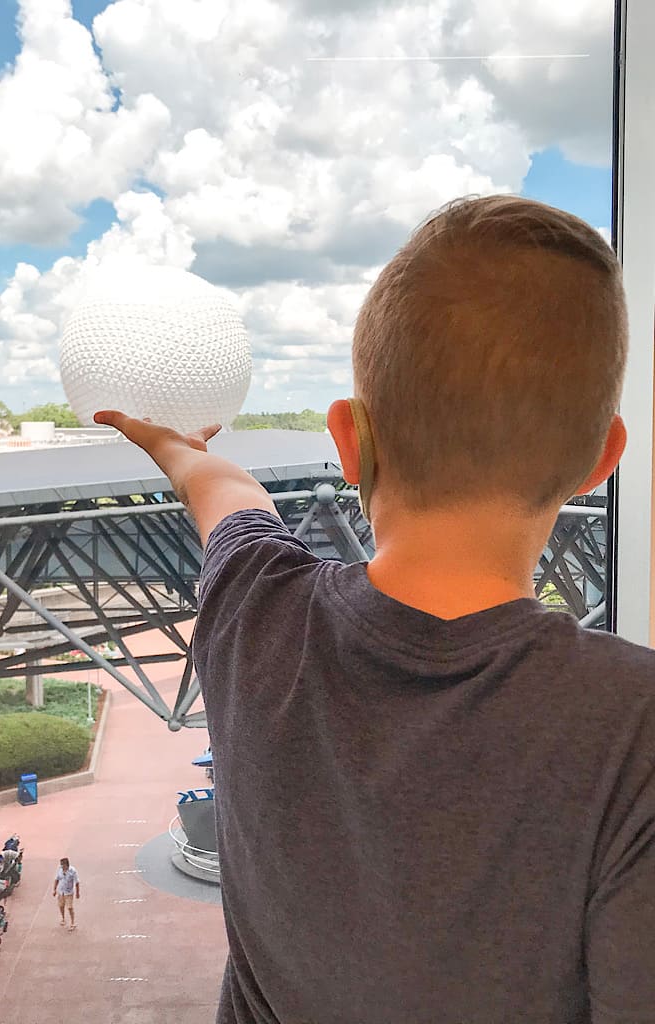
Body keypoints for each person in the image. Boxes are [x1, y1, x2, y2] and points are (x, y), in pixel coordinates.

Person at [94, 195, 654, 1024]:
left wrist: (176, 447)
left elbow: (225, 495)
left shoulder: (254, 609)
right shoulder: (633, 725)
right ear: (602, 459)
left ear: (350, 439)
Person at [52, 857, 80, 930]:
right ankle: (63, 918)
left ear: (66, 864)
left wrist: (77, 893)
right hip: (61, 892)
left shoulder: (72, 871)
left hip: (69, 892)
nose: (61, 866)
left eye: (62, 865)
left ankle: (73, 922)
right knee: (61, 906)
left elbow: (77, 882)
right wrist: (54, 889)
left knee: (70, 907)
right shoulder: (60, 870)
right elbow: (56, 879)